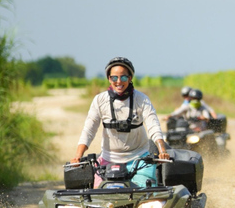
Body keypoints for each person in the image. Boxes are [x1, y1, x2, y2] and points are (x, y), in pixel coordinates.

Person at [70, 57, 170, 188]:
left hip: (139, 159)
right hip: (108, 159)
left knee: (145, 192)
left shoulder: (142, 99)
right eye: (114, 78)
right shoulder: (99, 100)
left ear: (130, 78)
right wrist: (78, 156)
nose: (118, 82)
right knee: (98, 194)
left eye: (123, 78)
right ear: (109, 79)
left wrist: (162, 150)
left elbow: (153, 126)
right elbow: (89, 130)